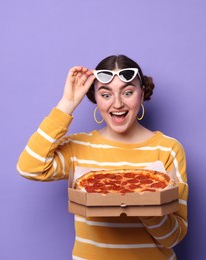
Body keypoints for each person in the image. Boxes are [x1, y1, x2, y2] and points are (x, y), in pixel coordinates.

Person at [16, 54, 188, 260]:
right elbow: (29, 167)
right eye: (106, 95)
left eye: (128, 92)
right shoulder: (78, 146)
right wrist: (67, 104)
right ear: (95, 99)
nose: (117, 104)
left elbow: (174, 237)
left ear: (142, 94)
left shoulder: (168, 149)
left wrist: (146, 203)